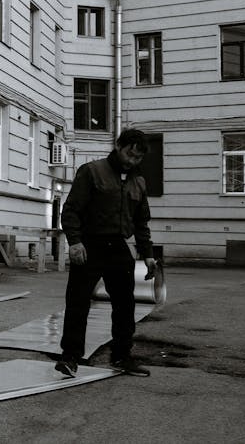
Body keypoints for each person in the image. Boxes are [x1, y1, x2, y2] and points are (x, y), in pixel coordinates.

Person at [55, 128, 157, 379]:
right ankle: (70, 357)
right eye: (129, 154)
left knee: (125, 304)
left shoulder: (138, 181)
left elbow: (141, 221)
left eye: (138, 158)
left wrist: (148, 254)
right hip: (90, 244)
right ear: (119, 146)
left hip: (118, 247)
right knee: (78, 302)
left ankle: (122, 356)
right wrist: (75, 242)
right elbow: (70, 210)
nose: (132, 161)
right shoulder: (92, 171)